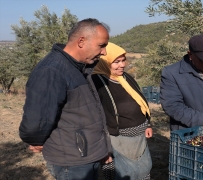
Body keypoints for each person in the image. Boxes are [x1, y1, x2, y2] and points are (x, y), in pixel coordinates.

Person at [19, 18, 112, 180]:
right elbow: (36, 118)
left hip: (86, 155)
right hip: (72, 161)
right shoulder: (51, 71)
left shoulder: (78, 67)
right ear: (81, 41)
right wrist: (35, 139)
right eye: (101, 45)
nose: (104, 52)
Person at [92, 42, 153, 180]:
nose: (122, 65)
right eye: (116, 62)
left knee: (142, 171)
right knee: (120, 174)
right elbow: (95, 116)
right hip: (117, 139)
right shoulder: (98, 82)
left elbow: (140, 101)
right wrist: (103, 146)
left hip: (139, 137)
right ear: (104, 62)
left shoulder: (126, 78)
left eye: (123, 60)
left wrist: (148, 124)